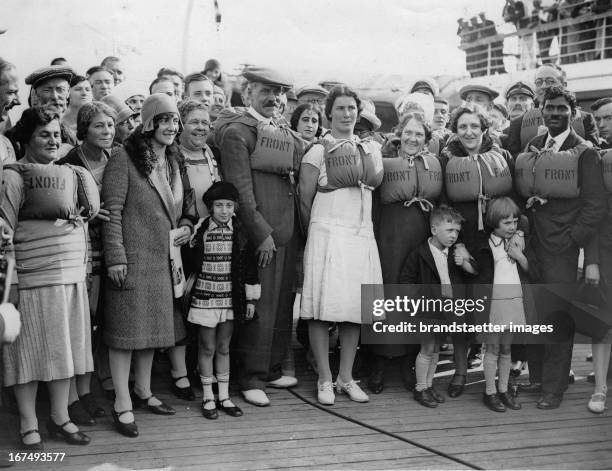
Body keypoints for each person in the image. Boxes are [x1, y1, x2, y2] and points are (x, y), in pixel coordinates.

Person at [2, 107, 100, 448]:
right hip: (30, 278)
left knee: (65, 351)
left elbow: (87, 218)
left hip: (69, 277)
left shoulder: (71, 175)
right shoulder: (13, 176)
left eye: (57, 134)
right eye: (44, 134)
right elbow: (2, 230)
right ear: (26, 138)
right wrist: (10, 281)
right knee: (26, 354)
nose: (53, 140)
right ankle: (28, 423)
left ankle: (61, 417)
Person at [102, 93, 193, 436]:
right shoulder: (123, 159)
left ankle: (143, 391)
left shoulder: (173, 160)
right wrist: (116, 258)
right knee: (126, 335)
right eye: (165, 120)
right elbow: (111, 213)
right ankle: (122, 402)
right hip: (132, 259)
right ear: (149, 122)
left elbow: (186, 208)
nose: (171, 127)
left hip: (164, 261)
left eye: (175, 121)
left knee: (151, 334)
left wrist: (186, 225)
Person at [214, 66, 304, 407]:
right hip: (262, 233)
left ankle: (270, 368)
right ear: (247, 92)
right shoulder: (239, 131)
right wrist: (261, 234)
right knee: (259, 305)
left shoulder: (281, 129)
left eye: (279, 92)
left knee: (282, 304)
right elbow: (240, 190)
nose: (274, 98)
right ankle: (250, 376)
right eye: (266, 91)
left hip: (287, 230)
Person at [514, 86, 606, 409]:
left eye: (561, 109)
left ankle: (554, 388)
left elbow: (595, 206)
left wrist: (572, 239)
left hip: (561, 248)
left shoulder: (585, 152)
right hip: (533, 244)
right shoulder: (533, 146)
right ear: (540, 112)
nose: (554, 114)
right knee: (535, 311)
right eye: (548, 109)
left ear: (573, 113)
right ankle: (538, 378)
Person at [299, 84, 383, 406]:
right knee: (321, 308)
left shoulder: (370, 150)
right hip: (327, 233)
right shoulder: (318, 150)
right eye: (341, 109)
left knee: (355, 309)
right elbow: (305, 201)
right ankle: (324, 378)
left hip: (360, 234)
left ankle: (345, 377)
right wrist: (318, 236)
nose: (347, 114)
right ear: (329, 113)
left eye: (352, 108)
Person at [441, 105, 515, 397]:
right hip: (463, 243)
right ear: (455, 131)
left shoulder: (502, 157)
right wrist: (456, 244)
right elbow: (444, 205)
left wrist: (512, 235)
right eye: (462, 127)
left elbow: (514, 200)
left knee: (496, 312)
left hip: (495, 246)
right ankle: (460, 372)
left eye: (474, 126)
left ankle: (498, 380)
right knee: (463, 311)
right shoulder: (448, 161)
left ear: (484, 129)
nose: (469, 132)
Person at [369, 112, 443, 394]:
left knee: (414, 294)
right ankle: (378, 360)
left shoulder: (433, 164)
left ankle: (406, 362)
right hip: (388, 232)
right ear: (399, 134)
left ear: (426, 139)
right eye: (408, 133)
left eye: (419, 134)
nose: (413, 139)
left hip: (420, 231)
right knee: (386, 292)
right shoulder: (383, 163)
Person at [57, 101, 115, 425]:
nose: (107, 131)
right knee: (79, 322)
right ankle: (70, 398)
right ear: (84, 130)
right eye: (99, 126)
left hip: (107, 247)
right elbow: (63, 207)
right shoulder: (70, 161)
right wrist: (90, 213)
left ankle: (85, 388)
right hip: (81, 249)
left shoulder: (114, 158)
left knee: (95, 326)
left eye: (110, 125)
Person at [184, 181, 260, 419]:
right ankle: (208, 396)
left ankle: (224, 396)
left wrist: (250, 300)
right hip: (206, 296)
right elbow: (189, 259)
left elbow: (250, 268)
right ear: (210, 207)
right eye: (219, 205)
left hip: (230, 298)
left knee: (224, 346)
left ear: (234, 206)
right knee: (207, 346)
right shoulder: (201, 230)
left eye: (228, 205)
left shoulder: (240, 232)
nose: (224, 210)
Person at [398, 205, 476, 407]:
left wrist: (464, 262)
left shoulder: (454, 254)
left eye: (457, 231)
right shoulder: (420, 253)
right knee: (427, 348)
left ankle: (428, 385)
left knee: (436, 350)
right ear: (434, 229)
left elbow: (473, 272)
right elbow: (406, 281)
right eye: (449, 230)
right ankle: (420, 388)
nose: (453, 236)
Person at [473, 197, 530, 412]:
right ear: (494, 222)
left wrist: (519, 240)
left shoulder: (517, 241)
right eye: (507, 223)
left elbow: (525, 222)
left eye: (515, 222)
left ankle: (503, 389)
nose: (512, 227)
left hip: (513, 302)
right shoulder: (486, 245)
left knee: (507, 348)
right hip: (494, 305)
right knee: (493, 347)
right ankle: (490, 391)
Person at [503, 64, 599, 157]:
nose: (544, 86)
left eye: (550, 81)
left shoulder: (585, 119)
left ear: (564, 84)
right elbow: (512, 159)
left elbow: (595, 157)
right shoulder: (518, 123)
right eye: (539, 82)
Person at [61, 75, 93, 144]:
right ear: (67, 93)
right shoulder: (59, 121)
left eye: (88, 90)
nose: (84, 93)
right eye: (78, 89)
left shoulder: (97, 119)